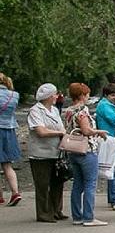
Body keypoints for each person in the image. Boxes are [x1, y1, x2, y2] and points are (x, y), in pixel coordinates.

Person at [62, 83, 109, 227]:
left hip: (72, 149)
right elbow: (86, 130)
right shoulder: (82, 110)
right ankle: (89, 217)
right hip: (86, 149)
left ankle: (77, 216)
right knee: (90, 183)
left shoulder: (68, 110)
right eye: (87, 94)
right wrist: (99, 132)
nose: (88, 96)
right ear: (82, 95)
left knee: (77, 184)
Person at [26, 83, 67, 222]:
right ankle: (44, 213)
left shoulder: (54, 110)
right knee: (43, 184)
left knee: (57, 182)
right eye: (55, 94)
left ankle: (56, 210)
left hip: (55, 152)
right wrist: (59, 133)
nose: (57, 96)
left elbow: (61, 127)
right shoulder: (35, 111)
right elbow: (41, 131)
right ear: (49, 96)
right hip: (40, 153)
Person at [94, 83, 115, 211]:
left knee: (113, 169)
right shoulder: (104, 106)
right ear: (106, 95)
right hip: (109, 139)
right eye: (113, 95)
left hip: (113, 139)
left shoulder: (108, 105)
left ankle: (114, 197)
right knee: (111, 170)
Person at [0, 73, 23, 206]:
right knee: (7, 165)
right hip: (9, 130)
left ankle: (0, 195)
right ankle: (15, 192)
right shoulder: (14, 95)